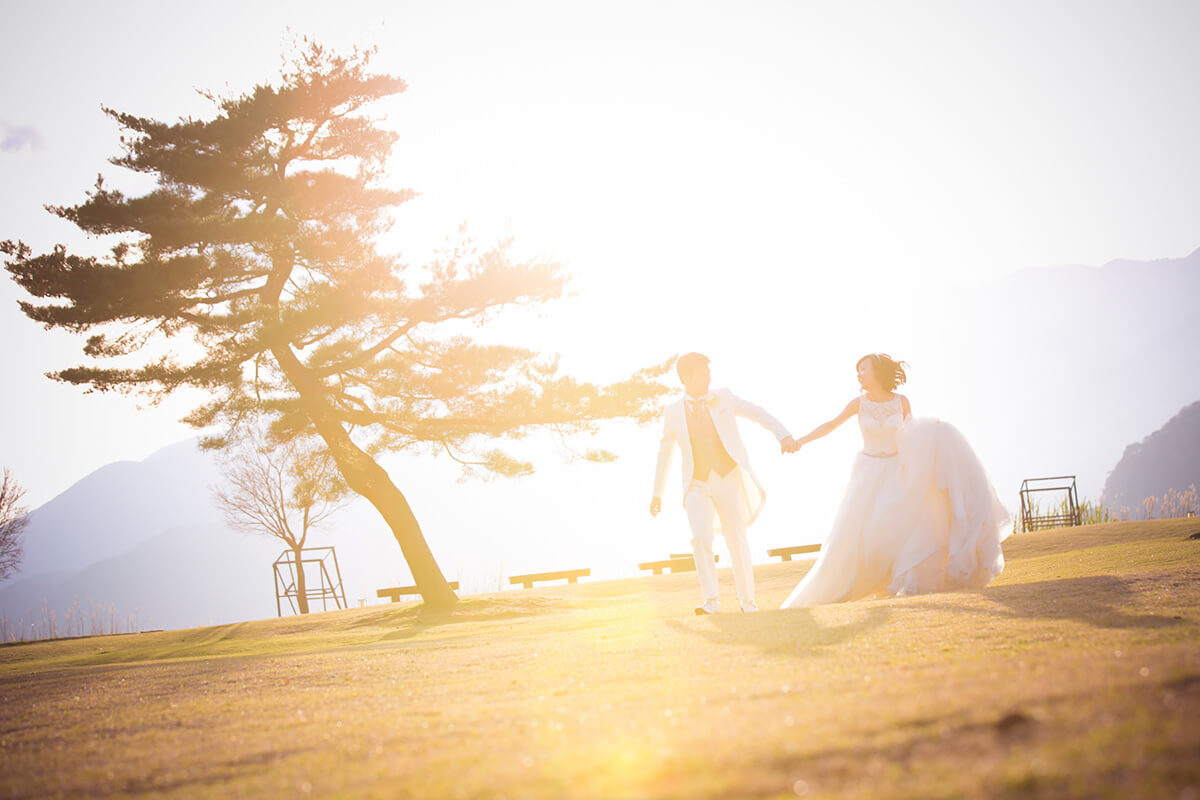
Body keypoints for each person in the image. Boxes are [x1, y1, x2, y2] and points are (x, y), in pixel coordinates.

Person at [780, 354, 1010, 608]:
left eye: (863, 369)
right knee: (865, 535)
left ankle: (891, 583)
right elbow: (831, 424)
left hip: (897, 472)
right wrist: (800, 441)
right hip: (867, 474)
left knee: (895, 528)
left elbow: (913, 435)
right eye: (858, 371)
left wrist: (938, 437)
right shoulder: (858, 404)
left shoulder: (902, 402)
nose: (859, 375)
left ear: (877, 371)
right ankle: (868, 585)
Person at [651, 353, 796, 614]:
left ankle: (747, 602)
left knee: (736, 538)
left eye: (709, 372)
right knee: (701, 538)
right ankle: (711, 602)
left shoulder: (724, 397)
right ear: (686, 378)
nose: (709, 377)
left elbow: (757, 413)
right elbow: (665, 452)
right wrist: (657, 494)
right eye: (703, 373)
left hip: (728, 478)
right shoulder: (672, 412)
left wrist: (782, 434)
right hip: (696, 484)